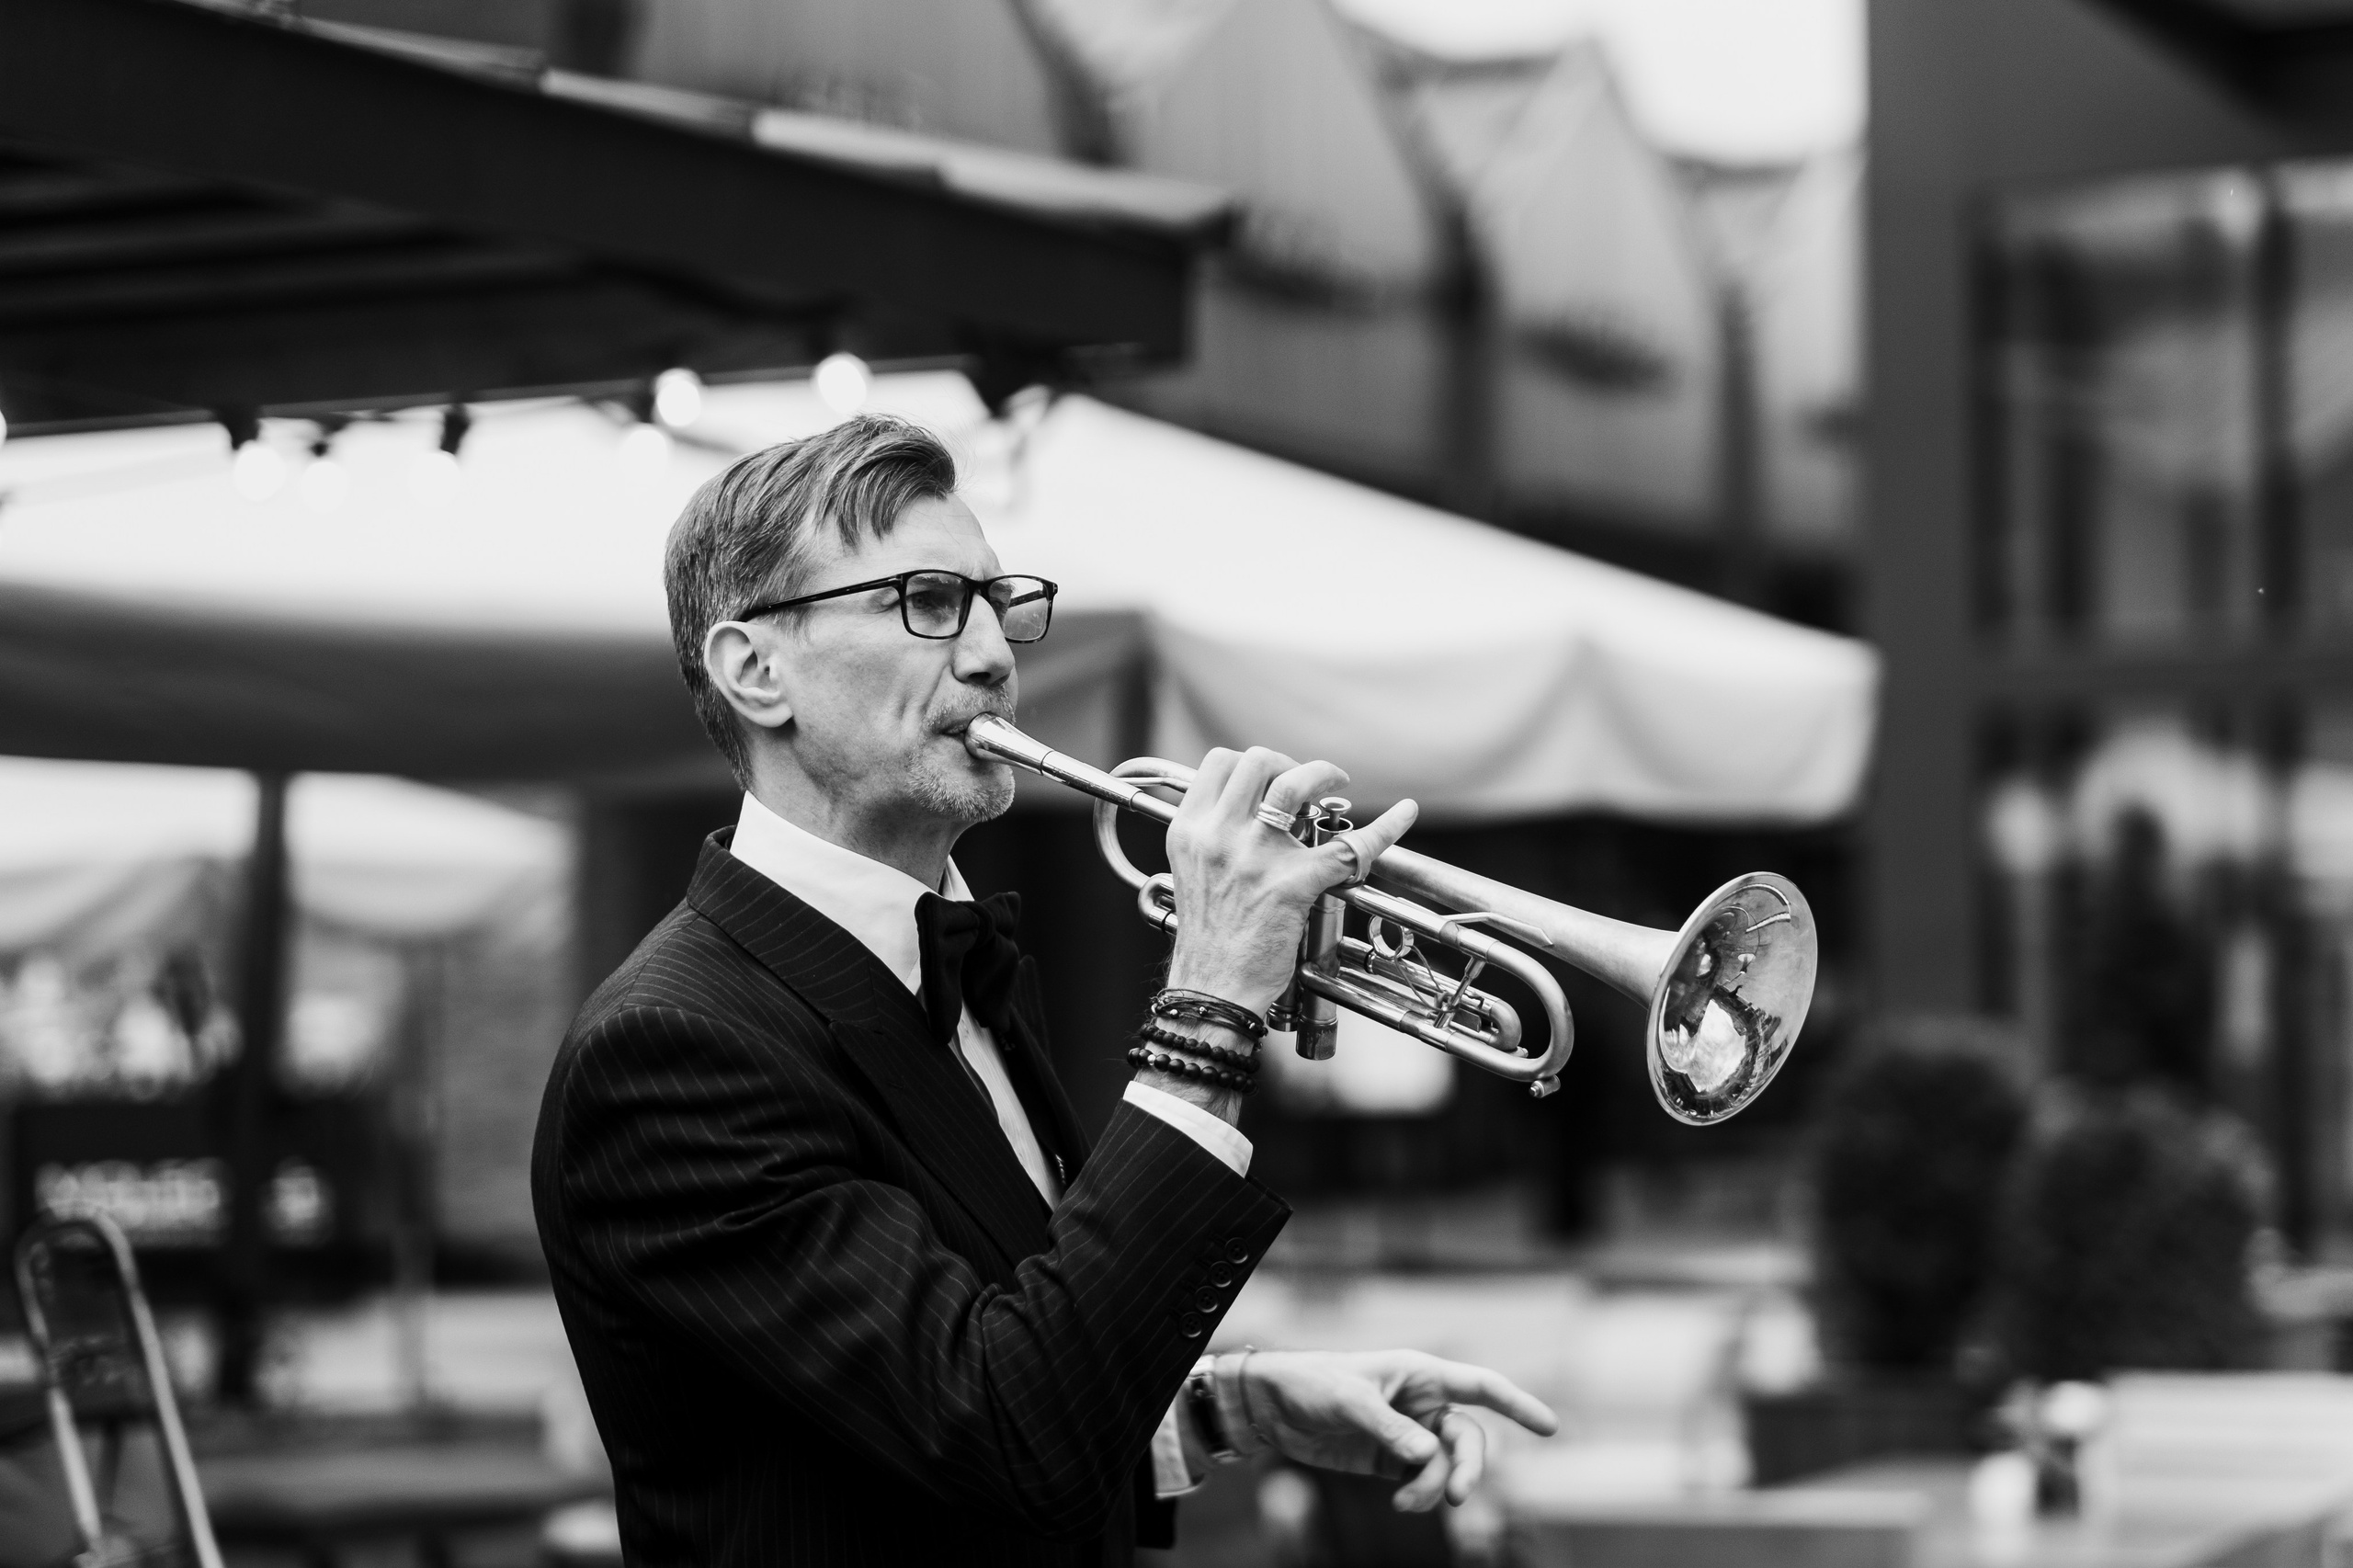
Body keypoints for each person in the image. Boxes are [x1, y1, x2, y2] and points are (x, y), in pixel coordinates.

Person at [532, 414, 1557, 1567]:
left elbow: (978, 1381)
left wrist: (1225, 1405)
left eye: (996, 599)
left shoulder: (956, 965)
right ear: (755, 670)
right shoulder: (670, 1047)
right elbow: (1005, 1433)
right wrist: (1211, 1004)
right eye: (926, 600)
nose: (991, 655)